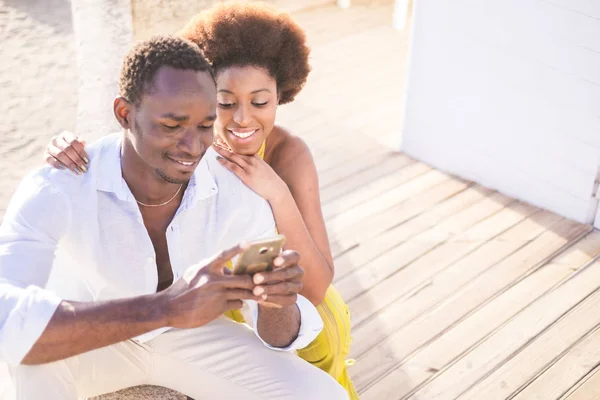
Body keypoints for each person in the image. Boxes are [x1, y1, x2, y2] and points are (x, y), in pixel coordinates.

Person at [0, 35, 348, 400]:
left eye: (204, 126)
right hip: (85, 339)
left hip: (188, 338)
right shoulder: (60, 184)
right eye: (172, 125)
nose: (192, 146)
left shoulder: (236, 187)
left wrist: (277, 300)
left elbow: (276, 334)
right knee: (33, 359)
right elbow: (6, 316)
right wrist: (165, 308)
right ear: (124, 113)